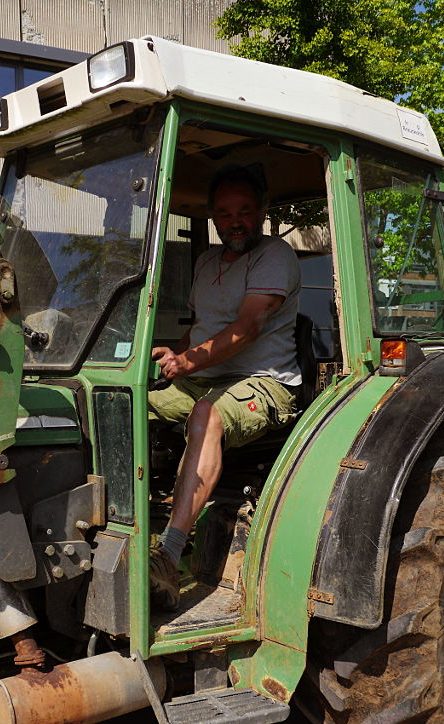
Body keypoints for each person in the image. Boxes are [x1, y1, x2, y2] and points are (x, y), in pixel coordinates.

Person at [148, 165, 302, 610]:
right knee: (127, 406)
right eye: (224, 213)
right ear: (213, 218)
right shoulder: (207, 261)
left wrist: (187, 360)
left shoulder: (275, 255)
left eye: (245, 211)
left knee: (206, 415)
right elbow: (200, 331)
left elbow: (248, 326)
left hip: (266, 382)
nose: (235, 221)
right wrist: (169, 356)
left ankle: (169, 555)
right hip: (205, 378)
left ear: (263, 212)